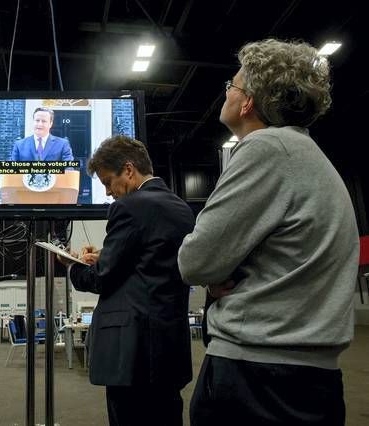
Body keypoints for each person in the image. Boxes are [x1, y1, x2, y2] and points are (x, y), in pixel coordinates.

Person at [178, 39, 359, 426]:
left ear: (247, 102)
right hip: (309, 377)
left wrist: (214, 277)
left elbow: (196, 261)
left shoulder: (266, 148)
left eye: (233, 84)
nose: (226, 91)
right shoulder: (307, 155)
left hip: (258, 378)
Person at [58, 135, 195, 426]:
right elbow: (147, 263)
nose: (108, 193)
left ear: (129, 170)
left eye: (108, 182)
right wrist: (107, 254)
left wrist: (72, 266)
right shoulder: (181, 208)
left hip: (132, 353)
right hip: (168, 347)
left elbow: (101, 279)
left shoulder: (130, 207)